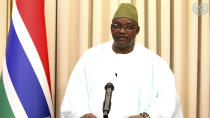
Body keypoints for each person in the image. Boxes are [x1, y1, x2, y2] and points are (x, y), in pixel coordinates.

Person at [60, 3, 183, 118]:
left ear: (137, 30)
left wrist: (146, 116)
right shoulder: (90, 57)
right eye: (117, 25)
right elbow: (74, 95)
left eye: (129, 27)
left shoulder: (155, 63)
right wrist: (83, 114)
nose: (122, 31)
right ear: (111, 27)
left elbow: (167, 99)